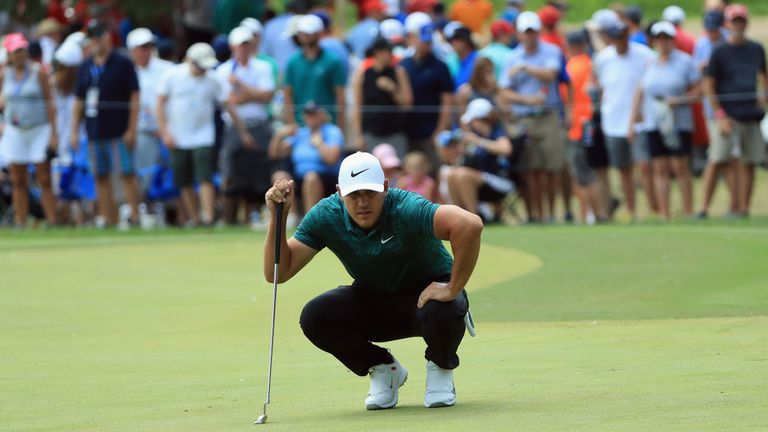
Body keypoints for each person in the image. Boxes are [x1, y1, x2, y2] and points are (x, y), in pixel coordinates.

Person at [263, 151, 482, 410]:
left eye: (370, 193)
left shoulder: (405, 207)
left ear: (386, 188)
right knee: (315, 316)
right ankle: (384, 368)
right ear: (339, 191)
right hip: (375, 299)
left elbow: (469, 225)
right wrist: (279, 217)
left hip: (428, 300)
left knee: (445, 307)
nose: (362, 203)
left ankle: (440, 366)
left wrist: (452, 287)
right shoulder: (326, 215)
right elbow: (278, 273)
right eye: (354, 195)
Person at [71, 20, 141, 227]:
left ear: (108, 37)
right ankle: (108, 219)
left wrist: (131, 128)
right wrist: (74, 131)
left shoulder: (122, 63)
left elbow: (135, 96)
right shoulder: (86, 66)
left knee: (126, 174)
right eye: (93, 37)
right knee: (100, 176)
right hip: (94, 131)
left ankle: (135, 217)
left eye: (100, 36)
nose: (97, 41)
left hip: (119, 130)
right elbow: (79, 100)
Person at [699, 4, 766, 218]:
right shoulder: (719, 51)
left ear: (746, 22)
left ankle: (743, 208)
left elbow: (764, 74)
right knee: (717, 158)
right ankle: (703, 208)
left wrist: (763, 99)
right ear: (728, 23)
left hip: (750, 114)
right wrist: (719, 114)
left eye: (741, 21)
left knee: (750, 160)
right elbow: (709, 85)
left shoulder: (756, 48)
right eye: (734, 21)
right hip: (726, 114)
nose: (738, 25)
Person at [631, 22, 700, 220]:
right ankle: (664, 213)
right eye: (658, 39)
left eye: (666, 38)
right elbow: (641, 90)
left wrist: (680, 100)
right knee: (659, 167)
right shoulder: (649, 62)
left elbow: (698, 89)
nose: (662, 42)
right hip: (655, 122)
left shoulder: (685, 61)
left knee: (680, 166)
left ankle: (688, 211)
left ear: (672, 40)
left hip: (678, 122)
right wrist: (636, 115)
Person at [499, 11, 561, 223]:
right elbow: (504, 91)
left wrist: (526, 67)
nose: (530, 36)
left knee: (551, 169)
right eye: (526, 32)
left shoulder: (551, 51)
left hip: (548, 116)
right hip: (524, 118)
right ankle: (537, 215)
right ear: (519, 34)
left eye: (533, 31)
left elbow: (551, 74)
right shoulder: (512, 57)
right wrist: (527, 100)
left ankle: (552, 214)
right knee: (532, 170)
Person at [592, 16, 656, 220]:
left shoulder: (644, 54)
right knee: (623, 169)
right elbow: (601, 88)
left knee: (645, 166)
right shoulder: (604, 58)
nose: (622, 41)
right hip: (613, 121)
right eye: (617, 37)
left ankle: (654, 210)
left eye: (624, 36)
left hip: (640, 122)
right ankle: (631, 210)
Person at [156, 43, 223, 227]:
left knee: (204, 177)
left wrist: (241, 130)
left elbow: (226, 103)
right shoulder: (172, 75)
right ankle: (195, 218)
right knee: (183, 179)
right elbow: (160, 103)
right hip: (178, 136)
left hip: (203, 135)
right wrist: (165, 132)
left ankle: (208, 218)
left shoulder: (213, 80)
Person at [215, 26, 276, 223]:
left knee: (260, 170)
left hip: (258, 124)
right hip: (234, 127)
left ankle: (258, 215)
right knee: (230, 169)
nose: (244, 48)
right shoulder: (223, 70)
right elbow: (228, 102)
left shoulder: (262, 67)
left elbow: (266, 96)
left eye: (247, 44)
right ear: (233, 46)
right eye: (241, 45)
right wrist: (252, 95)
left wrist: (241, 87)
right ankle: (229, 217)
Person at [0, 33, 58, 227]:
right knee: (17, 179)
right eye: (16, 51)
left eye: (23, 50)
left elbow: (50, 104)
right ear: (9, 54)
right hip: (15, 130)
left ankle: (52, 220)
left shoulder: (38, 72)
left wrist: (54, 134)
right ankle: (21, 221)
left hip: (39, 129)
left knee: (44, 178)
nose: (21, 54)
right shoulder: (3, 75)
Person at [268, 102, 344, 213]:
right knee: (279, 176)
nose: (310, 118)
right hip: (299, 176)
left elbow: (332, 159)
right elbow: (274, 154)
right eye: (307, 114)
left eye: (313, 114)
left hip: (325, 177)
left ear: (322, 115)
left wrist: (319, 144)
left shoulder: (332, 131)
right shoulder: (301, 133)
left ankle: (310, 219)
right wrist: (279, 135)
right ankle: (289, 217)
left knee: (311, 177)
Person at [400, 15, 454, 170]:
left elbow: (447, 100)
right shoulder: (404, 65)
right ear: (413, 39)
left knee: (434, 170)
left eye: (429, 42)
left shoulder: (440, 67)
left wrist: (441, 128)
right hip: (409, 130)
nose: (426, 45)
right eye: (424, 41)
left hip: (431, 130)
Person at [448, 98, 514, 221]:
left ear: (480, 119)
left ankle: (472, 219)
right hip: (483, 180)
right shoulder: (478, 134)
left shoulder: (497, 131)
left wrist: (477, 141)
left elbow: (506, 149)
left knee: (463, 174)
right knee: (452, 174)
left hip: (501, 181)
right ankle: (459, 218)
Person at [564, 30, 606, 223]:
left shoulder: (571, 67)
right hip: (592, 124)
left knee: (582, 175)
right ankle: (597, 214)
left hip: (577, 127)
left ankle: (592, 215)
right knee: (591, 172)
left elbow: (566, 97)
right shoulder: (592, 64)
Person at [126, 27, 174, 191]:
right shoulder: (127, 72)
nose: (147, 51)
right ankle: (148, 206)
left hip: (168, 130)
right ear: (133, 50)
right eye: (142, 47)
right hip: (142, 130)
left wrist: (165, 127)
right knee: (145, 174)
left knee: (172, 174)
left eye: (149, 46)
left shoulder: (167, 69)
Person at [352, 37, 413, 156]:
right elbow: (358, 107)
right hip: (371, 132)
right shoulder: (363, 74)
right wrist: (359, 135)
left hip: (395, 132)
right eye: (388, 52)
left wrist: (393, 89)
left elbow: (407, 104)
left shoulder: (398, 72)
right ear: (378, 53)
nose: (390, 55)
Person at [284, 14, 347, 128]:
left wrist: (340, 126)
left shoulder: (333, 61)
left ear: (319, 33)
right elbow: (288, 94)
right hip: (301, 126)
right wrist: (291, 123)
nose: (307, 37)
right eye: (304, 33)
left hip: (328, 125)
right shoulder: (292, 62)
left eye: (310, 33)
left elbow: (340, 96)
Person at [445, 25, 478, 90]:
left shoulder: (478, 60)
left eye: (457, 40)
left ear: (466, 42)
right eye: (452, 40)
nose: (453, 43)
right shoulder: (450, 60)